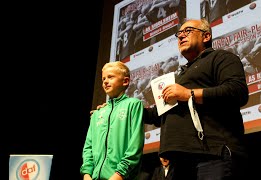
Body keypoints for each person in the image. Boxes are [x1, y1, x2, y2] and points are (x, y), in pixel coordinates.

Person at [144, 18, 249, 179]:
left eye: (187, 31)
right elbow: (157, 114)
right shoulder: (180, 75)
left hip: (213, 154)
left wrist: (189, 94)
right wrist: (119, 107)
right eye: (179, 33)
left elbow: (237, 91)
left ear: (206, 36)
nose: (181, 36)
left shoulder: (221, 58)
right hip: (180, 160)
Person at [80, 61, 145, 180]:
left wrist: (119, 174)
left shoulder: (133, 105)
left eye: (110, 77)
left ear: (125, 81)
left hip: (120, 177)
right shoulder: (97, 114)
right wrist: (86, 174)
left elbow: (135, 144)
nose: (105, 81)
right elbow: (88, 147)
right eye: (103, 78)